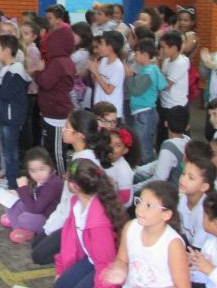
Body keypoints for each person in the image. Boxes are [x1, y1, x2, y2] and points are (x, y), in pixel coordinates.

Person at [33, 110, 111, 266]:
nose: (63, 130)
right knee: (36, 245)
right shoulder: (79, 155)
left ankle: (78, 250)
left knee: (38, 256)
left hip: (76, 221)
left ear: (79, 135)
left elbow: (75, 204)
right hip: (66, 214)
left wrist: (57, 226)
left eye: (67, 128)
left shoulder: (84, 162)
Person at [54, 158, 127, 288]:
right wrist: (60, 270)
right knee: (61, 285)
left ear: (74, 186)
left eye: (66, 178)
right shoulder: (76, 203)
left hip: (105, 267)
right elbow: (68, 242)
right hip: (91, 259)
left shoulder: (98, 222)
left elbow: (106, 264)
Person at [103, 181, 190, 288]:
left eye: (148, 205)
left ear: (166, 214)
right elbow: (122, 260)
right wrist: (119, 270)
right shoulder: (130, 227)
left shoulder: (173, 244)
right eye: (140, 201)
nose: (140, 209)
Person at [31, 25, 75, 175]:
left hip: (56, 115)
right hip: (52, 112)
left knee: (57, 152)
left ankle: (62, 181)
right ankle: (53, 179)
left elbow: (45, 82)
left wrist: (38, 71)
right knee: (51, 150)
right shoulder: (63, 61)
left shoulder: (59, 63)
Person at [0, 34, 31, 190]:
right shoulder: (5, 69)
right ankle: (10, 179)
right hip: (3, 117)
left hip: (10, 118)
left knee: (10, 152)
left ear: (7, 51)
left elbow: (5, 94)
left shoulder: (15, 71)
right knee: (6, 151)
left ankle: (13, 184)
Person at [1, 146, 63, 243]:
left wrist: (22, 188)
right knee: (9, 201)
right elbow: (32, 198)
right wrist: (18, 193)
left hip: (48, 219)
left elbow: (35, 209)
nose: (38, 174)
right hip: (37, 213)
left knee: (26, 218)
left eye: (42, 169)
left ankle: (23, 228)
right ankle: (21, 230)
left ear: (50, 166)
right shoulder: (38, 180)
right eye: (33, 171)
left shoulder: (53, 184)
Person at [125, 39, 167, 164]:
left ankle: (147, 170)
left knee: (144, 148)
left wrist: (129, 77)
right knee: (146, 143)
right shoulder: (153, 69)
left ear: (145, 55)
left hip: (144, 113)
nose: (135, 56)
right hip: (147, 112)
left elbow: (136, 91)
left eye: (137, 54)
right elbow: (162, 85)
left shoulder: (147, 73)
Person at [178, 156, 217, 287]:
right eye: (183, 174)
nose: (183, 179)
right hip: (190, 251)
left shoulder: (204, 212)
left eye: (191, 178)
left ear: (204, 186)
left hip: (206, 260)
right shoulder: (181, 199)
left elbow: (196, 250)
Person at [134, 105, 191, 191]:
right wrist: (137, 170)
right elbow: (160, 164)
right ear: (187, 127)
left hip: (172, 192)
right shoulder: (188, 141)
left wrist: (133, 188)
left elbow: (158, 179)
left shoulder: (168, 147)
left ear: (166, 123)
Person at [158, 31, 190, 148]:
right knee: (163, 136)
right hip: (165, 103)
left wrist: (158, 72)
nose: (162, 51)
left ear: (174, 48)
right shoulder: (167, 61)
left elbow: (166, 85)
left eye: (164, 47)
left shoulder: (180, 63)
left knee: (178, 137)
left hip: (176, 105)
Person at [89, 31, 125, 120]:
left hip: (110, 114)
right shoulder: (103, 61)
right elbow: (97, 83)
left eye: (101, 44)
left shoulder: (118, 66)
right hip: (99, 110)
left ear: (110, 47)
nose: (99, 47)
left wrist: (95, 72)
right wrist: (94, 73)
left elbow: (108, 90)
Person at [20, 20, 42, 151]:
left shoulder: (32, 50)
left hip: (30, 91)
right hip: (27, 90)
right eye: (21, 33)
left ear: (34, 36)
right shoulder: (24, 49)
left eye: (26, 34)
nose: (23, 36)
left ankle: (28, 149)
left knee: (27, 122)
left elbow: (34, 70)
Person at [105, 128, 137, 206]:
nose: (112, 148)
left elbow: (125, 197)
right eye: (109, 143)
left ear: (125, 150)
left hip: (116, 207)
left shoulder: (124, 170)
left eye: (118, 146)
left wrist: (104, 202)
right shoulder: (101, 159)